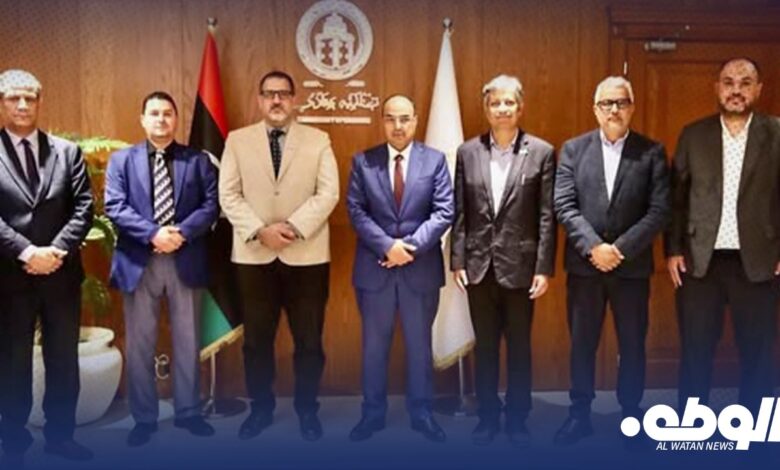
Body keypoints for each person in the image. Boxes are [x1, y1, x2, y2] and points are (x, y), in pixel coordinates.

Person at [219, 70, 339, 441]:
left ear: (294, 99)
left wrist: (291, 228)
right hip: (254, 257)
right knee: (256, 343)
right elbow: (228, 195)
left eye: (283, 94)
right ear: (259, 99)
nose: (276, 100)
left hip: (306, 257)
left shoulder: (318, 140)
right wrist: (261, 231)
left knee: (309, 342)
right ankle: (260, 410)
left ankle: (307, 411)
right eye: (269, 93)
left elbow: (328, 193)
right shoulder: (237, 141)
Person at [553, 76, 669, 447]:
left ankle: (631, 414)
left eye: (621, 102)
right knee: (582, 345)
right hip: (585, 268)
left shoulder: (652, 152)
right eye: (607, 103)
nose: (614, 110)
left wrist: (619, 250)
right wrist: (593, 247)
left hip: (631, 269)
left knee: (632, 345)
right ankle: (579, 414)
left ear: (632, 107)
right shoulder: (573, 150)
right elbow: (564, 205)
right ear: (595, 109)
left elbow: (659, 210)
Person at [105, 91, 219, 447]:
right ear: (142, 119)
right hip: (140, 260)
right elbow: (115, 206)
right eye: (154, 113)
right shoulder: (121, 161)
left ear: (176, 119)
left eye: (168, 113)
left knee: (188, 340)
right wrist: (153, 233)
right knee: (140, 344)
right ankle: (144, 418)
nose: (161, 119)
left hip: (185, 257)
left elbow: (211, 205)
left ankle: (189, 412)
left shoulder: (197, 160)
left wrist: (180, 233)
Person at [666, 57, 780, 414]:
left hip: (759, 260)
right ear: (717, 88)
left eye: (745, 83)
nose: (736, 90)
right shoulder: (693, 134)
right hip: (700, 261)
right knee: (696, 350)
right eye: (728, 82)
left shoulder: (776, 133)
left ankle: (753, 427)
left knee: (759, 353)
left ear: (758, 89)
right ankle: (691, 423)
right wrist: (673, 249)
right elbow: (676, 198)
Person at [451, 74, 556, 447]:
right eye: (495, 102)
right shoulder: (468, 152)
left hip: (521, 269)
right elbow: (460, 212)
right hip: (478, 267)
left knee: (519, 349)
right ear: (486, 109)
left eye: (509, 102)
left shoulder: (541, 151)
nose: (502, 109)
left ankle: (517, 417)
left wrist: (544, 267)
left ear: (520, 107)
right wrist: (458, 260)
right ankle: (487, 417)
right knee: (485, 348)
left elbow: (547, 215)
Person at [346, 94, 454, 443]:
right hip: (375, 270)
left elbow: (444, 211)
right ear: (382, 121)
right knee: (373, 348)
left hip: (418, 271)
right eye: (391, 118)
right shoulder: (363, 162)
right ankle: (372, 415)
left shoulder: (435, 161)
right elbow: (356, 211)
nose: (398, 126)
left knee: (420, 347)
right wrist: (387, 246)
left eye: (405, 118)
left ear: (416, 120)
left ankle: (422, 414)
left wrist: (409, 248)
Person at [0, 69, 94, 466]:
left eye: (30, 98)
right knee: (12, 363)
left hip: (60, 275)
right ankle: (14, 442)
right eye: (13, 98)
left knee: (63, 361)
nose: (22, 105)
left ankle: (60, 437)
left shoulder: (66, 152)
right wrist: (26, 252)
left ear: (39, 102)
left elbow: (85, 207)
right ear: (2, 103)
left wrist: (55, 251)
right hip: (10, 278)